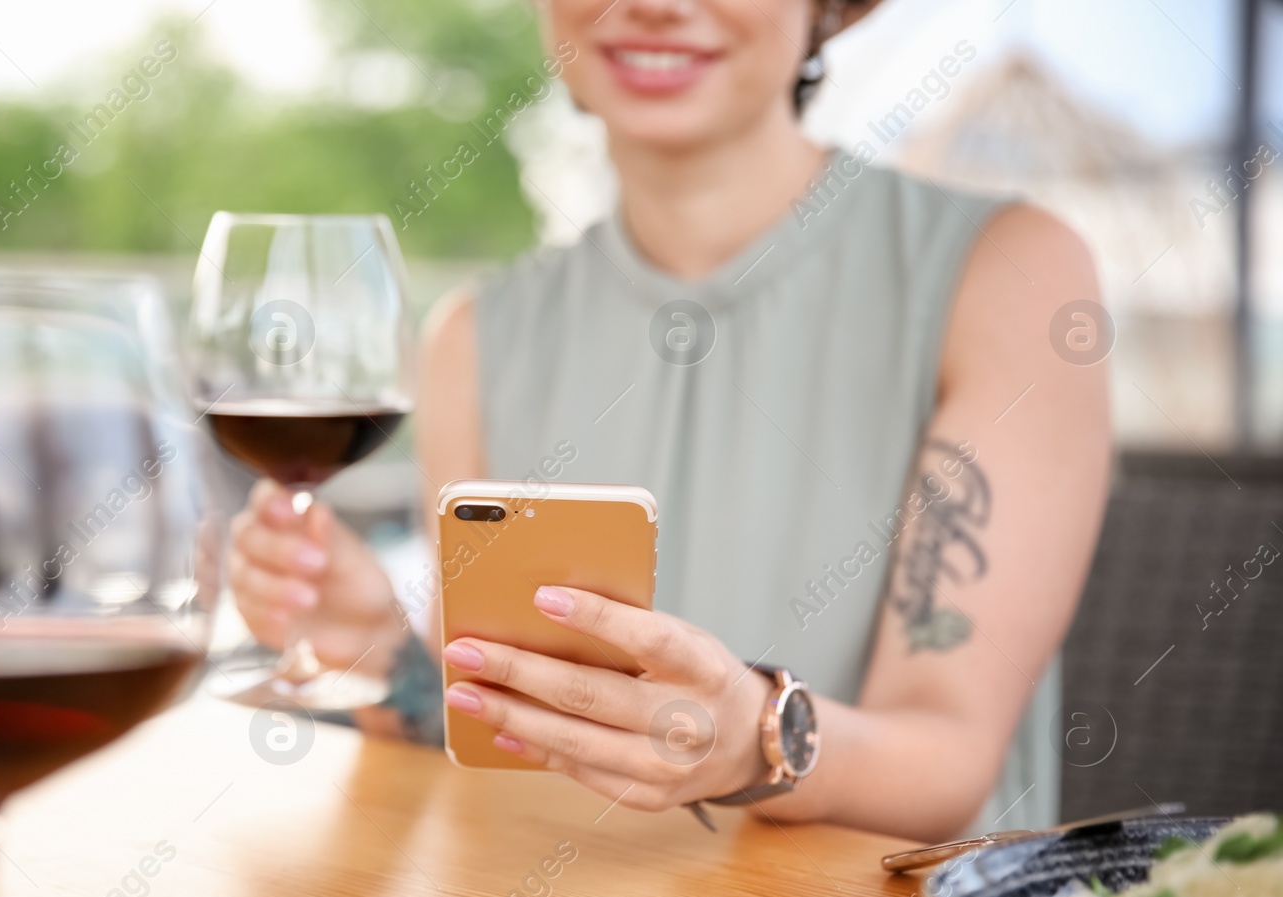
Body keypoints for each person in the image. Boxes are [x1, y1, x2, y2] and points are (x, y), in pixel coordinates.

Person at [225, 0, 1110, 842]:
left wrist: (756, 735)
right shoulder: (473, 336)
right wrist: (380, 650)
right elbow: (498, 739)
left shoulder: (1012, 275)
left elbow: (949, 758)